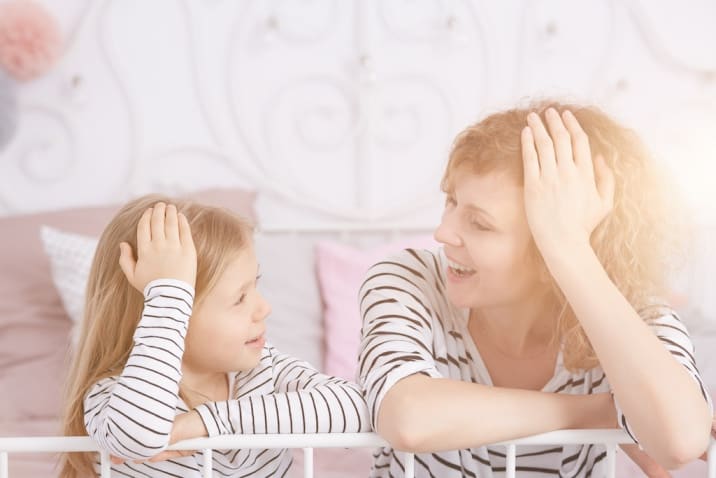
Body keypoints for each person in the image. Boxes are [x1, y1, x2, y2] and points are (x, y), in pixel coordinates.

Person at [358, 100, 713, 477]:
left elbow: (681, 441)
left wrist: (569, 249)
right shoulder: (409, 279)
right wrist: (596, 411)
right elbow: (408, 419)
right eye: (452, 202)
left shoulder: (631, 315)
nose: (443, 233)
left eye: (479, 223)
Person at [60, 196, 370, 478]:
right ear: (166, 313)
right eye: (239, 298)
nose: (263, 308)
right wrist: (169, 294)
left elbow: (359, 407)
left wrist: (207, 422)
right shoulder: (115, 395)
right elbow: (139, 438)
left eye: (255, 286)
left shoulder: (262, 371)